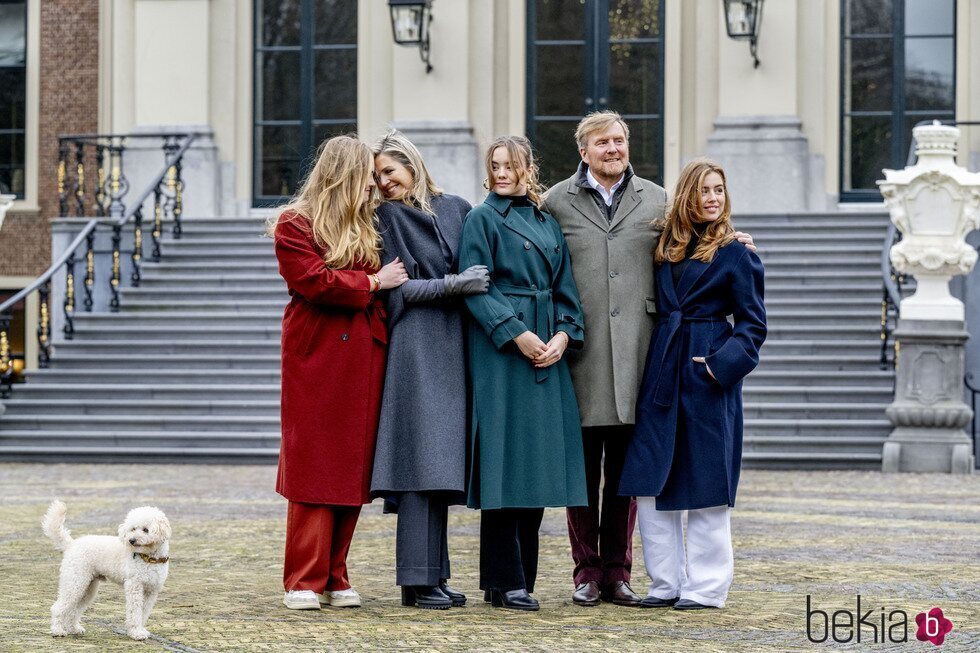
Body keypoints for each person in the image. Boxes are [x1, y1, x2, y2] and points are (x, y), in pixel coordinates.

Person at [541, 111, 755, 607]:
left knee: (629, 473)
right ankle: (586, 571)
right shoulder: (556, 202)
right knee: (580, 472)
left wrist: (736, 239)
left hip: (646, 355)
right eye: (602, 143)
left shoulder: (658, 200)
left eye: (619, 140)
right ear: (584, 151)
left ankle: (618, 571)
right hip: (581, 353)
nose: (613, 149)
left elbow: (701, 234)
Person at [619, 158, 767, 610]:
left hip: (707, 373)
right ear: (687, 195)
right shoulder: (664, 247)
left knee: (705, 482)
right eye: (704, 190)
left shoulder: (737, 253)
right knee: (650, 479)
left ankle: (705, 589)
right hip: (662, 366)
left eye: (719, 190)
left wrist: (717, 366)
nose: (713, 198)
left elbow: (753, 325)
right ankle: (664, 584)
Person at [271, 135, 408, 611]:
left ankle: (335, 573)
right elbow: (311, 281)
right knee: (314, 465)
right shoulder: (295, 223)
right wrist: (371, 281)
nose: (374, 183)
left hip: (364, 354)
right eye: (367, 175)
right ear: (345, 174)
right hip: (316, 356)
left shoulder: (370, 223)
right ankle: (303, 579)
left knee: (352, 467)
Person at [459, 136, 588, 611]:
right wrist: (515, 333)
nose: (501, 173)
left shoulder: (547, 222)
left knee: (534, 465)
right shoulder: (481, 218)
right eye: (494, 166)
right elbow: (474, 287)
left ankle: (518, 582)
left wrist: (562, 336)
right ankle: (503, 578)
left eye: (510, 165)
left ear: (529, 168)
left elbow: (565, 291)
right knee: (502, 462)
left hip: (545, 351)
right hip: (501, 353)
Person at [369, 130, 489, 610]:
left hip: (454, 346)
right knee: (419, 461)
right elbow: (397, 293)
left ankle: (434, 575)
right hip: (415, 347)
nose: (383, 182)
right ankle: (415, 581)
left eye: (390, 173)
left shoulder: (457, 208)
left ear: (412, 167)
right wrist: (454, 284)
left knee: (440, 467)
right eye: (377, 176)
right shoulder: (385, 218)